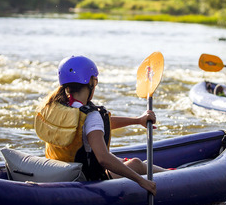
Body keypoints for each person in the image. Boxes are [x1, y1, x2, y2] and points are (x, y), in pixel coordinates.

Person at [34, 55, 165, 195]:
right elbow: (103, 158)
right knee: (136, 164)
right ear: (91, 82)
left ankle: (171, 173)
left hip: (60, 174)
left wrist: (137, 120)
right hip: (87, 181)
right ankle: (177, 175)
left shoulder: (57, 107)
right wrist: (142, 182)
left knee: (121, 159)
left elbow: (97, 127)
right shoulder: (90, 115)